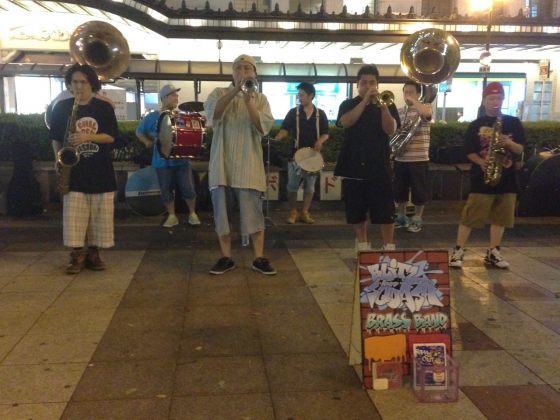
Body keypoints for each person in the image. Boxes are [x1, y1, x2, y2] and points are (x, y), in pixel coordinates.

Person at [204, 54, 276, 275]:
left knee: (253, 214)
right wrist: (236, 90)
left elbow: (262, 128)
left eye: (247, 68)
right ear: (232, 72)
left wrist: (249, 101)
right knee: (222, 215)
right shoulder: (218, 93)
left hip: (249, 166)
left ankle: (258, 257)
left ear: (254, 73)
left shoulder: (260, 98)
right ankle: (226, 257)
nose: (242, 72)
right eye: (238, 68)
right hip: (221, 165)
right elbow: (213, 113)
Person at [49, 63, 118, 274]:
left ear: (92, 84)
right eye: (75, 82)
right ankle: (77, 255)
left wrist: (88, 136)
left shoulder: (104, 107)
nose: (79, 86)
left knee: (99, 215)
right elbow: (55, 137)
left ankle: (94, 254)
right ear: (69, 84)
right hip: (74, 171)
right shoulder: (62, 107)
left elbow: (111, 136)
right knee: (74, 216)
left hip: (100, 168)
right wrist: (58, 159)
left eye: (83, 82)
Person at [450, 82, 525, 269]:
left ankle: (493, 251)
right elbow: (468, 151)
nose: (496, 102)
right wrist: (480, 162)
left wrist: (508, 142)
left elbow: (520, 149)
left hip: (507, 177)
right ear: (484, 101)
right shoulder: (476, 125)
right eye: (492, 98)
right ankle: (458, 250)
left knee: (501, 217)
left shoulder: (513, 123)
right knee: (471, 215)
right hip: (482, 177)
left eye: (499, 98)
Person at [334, 64, 400, 256]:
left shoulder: (387, 104)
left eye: (372, 82)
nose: (368, 86)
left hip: (379, 165)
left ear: (377, 84)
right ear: (357, 84)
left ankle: (388, 248)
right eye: (364, 83)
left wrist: (383, 107)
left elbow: (390, 129)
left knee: (386, 211)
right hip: (353, 165)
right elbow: (346, 122)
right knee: (356, 210)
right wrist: (364, 102)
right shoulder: (348, 104)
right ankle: (362, 246)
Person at [136, 84, 200, 228]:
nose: (176, 98)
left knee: (189, 189)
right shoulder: (152, 117)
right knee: (166, 191)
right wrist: (146, 141)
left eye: (177, 95)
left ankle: (192, 213)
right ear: (163, 98)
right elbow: (139, 132)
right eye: (173, 95)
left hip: (182, 160)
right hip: (161, 161)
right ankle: (172, 216)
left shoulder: (181, 116)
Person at [275, 82, 329, 224]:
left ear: (311, 95)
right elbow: (285, 128)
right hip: (295, 154)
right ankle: (293, 211)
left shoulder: (320, 114)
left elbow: (325, 133)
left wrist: (320, 141)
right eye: (298, 95)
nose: (299, 97)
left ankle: (304, 212)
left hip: (313, 156)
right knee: (292, 185)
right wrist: (280, 135)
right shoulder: (293, 112)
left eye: (302, 95)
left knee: (310, 186)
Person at [394, 81, 433, 233]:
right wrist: (397, 132)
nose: (407, 95)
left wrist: (414, 102)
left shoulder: (425, 107)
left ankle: (417, 219)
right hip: (401, 158)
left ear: (418, 94)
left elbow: (426, 114)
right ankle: (401, 217)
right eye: (405, 92)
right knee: (399, 191)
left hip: (419, 158)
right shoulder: (399, 111)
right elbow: (394, 129)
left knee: (419, 192)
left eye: (411, 92)